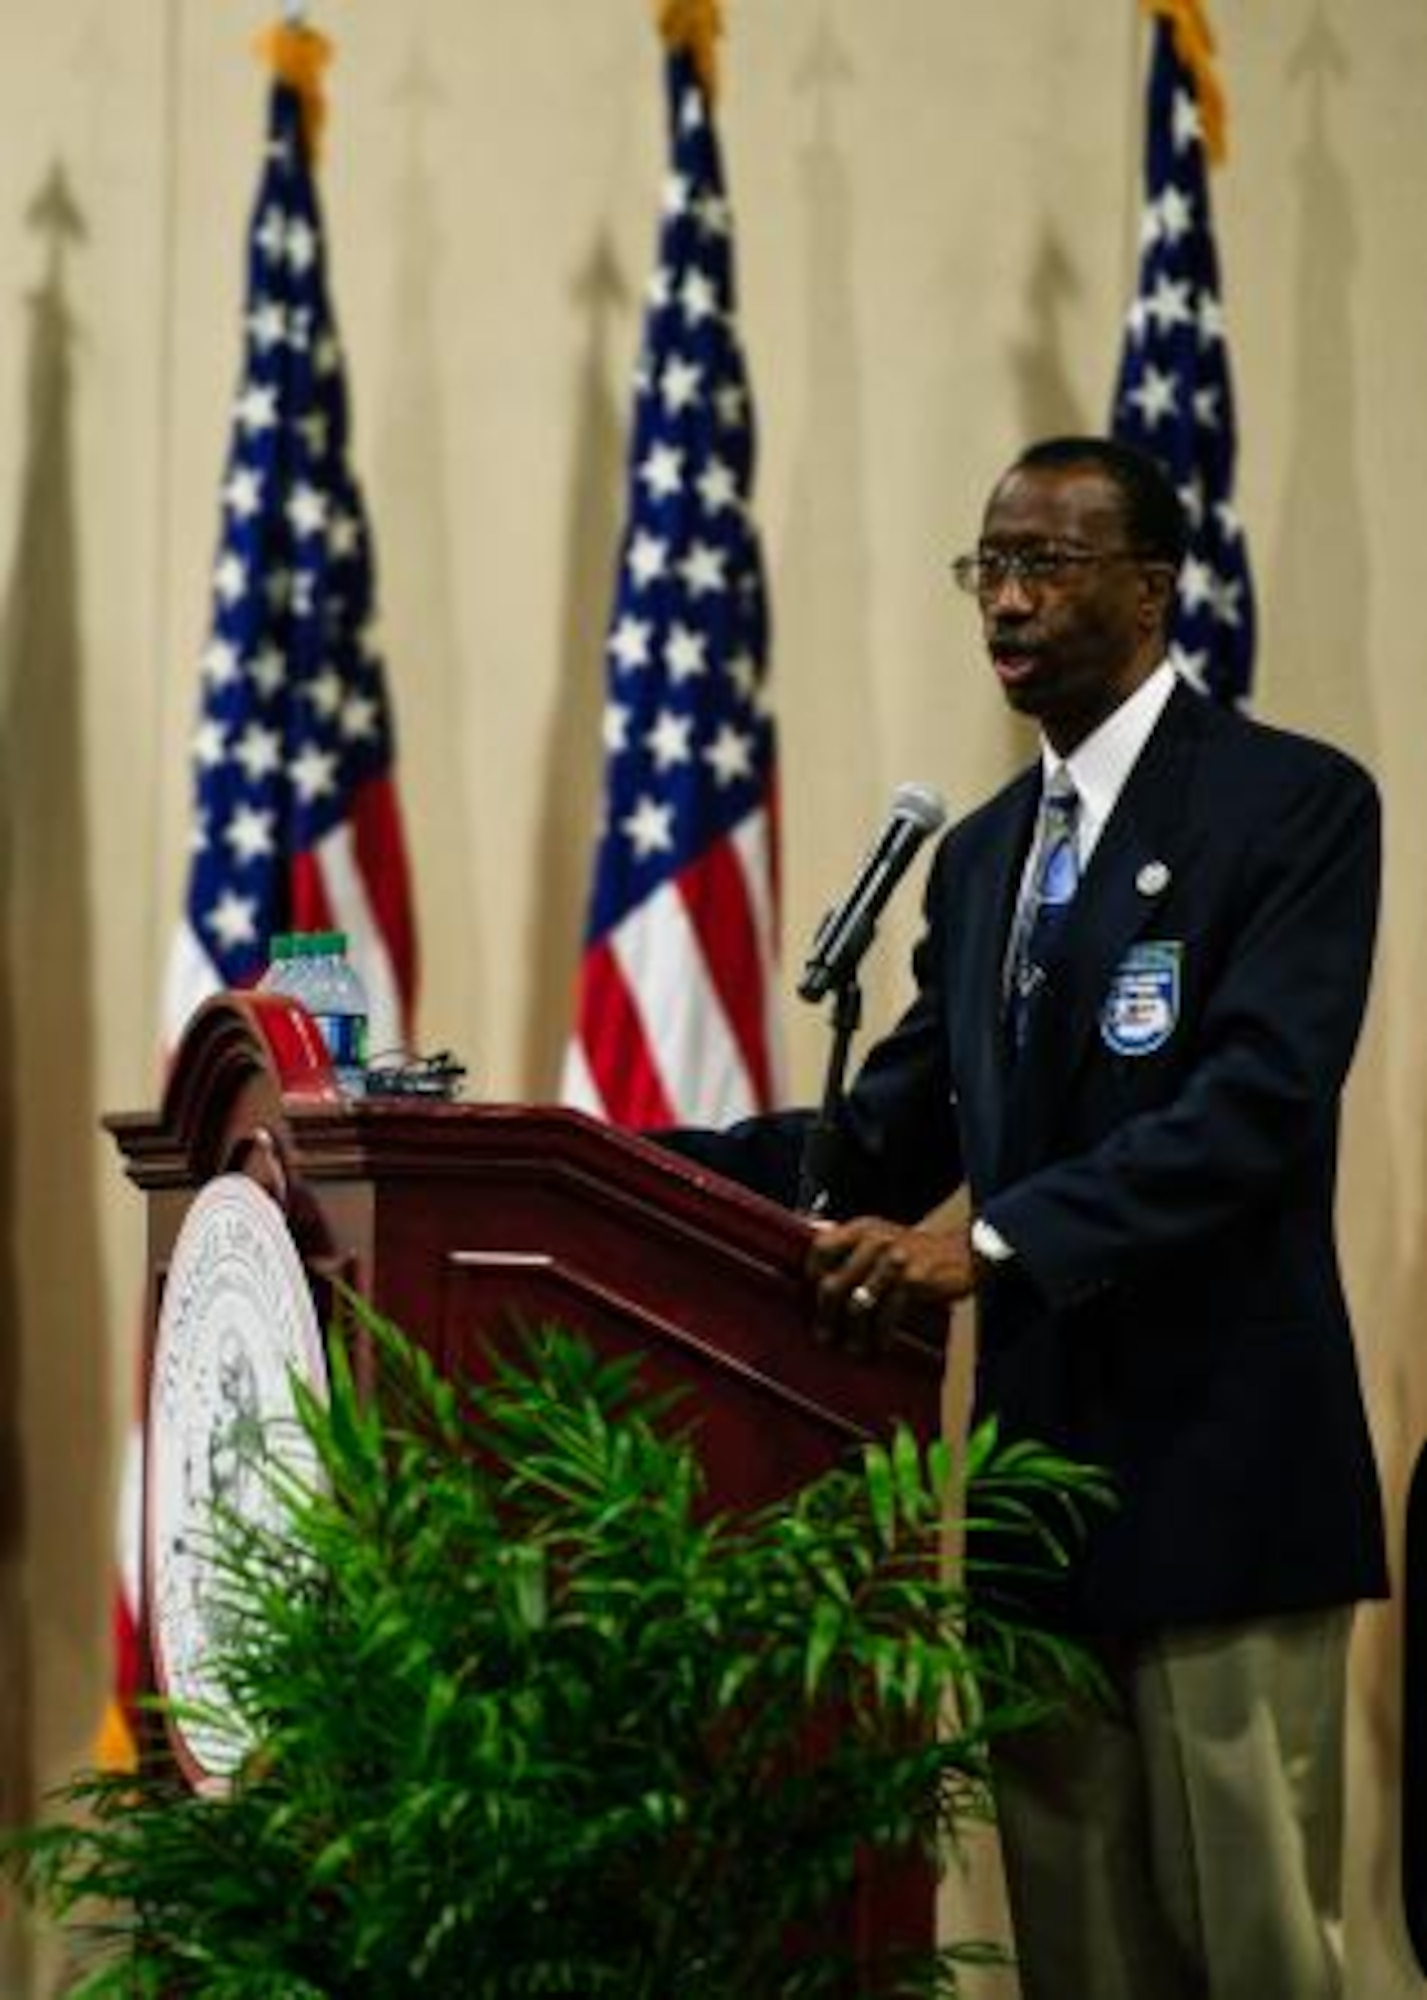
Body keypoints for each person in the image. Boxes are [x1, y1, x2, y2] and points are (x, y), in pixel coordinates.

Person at [663, 436, 1386, 2000]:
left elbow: (1252, 1112)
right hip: (1036, 1506)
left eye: (1046, 565)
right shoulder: (986, 857)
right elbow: (882, 1132)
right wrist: (606, 1159)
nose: (1006, 598)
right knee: (1085, 1966)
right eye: (989, 565)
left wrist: (987, 1246)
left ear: (1150, 586)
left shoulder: (1294, 807)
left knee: (1254, 1954)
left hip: (1221, 1487)